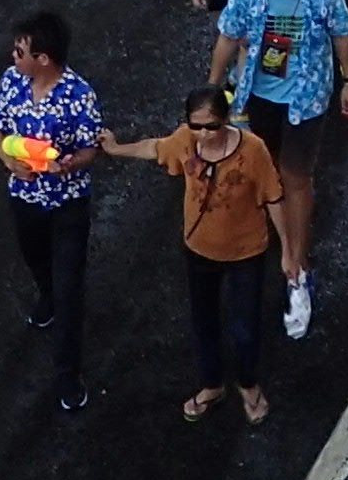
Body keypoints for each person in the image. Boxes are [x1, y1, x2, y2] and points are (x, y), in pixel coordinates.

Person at [211, 0, 348, 341]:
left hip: (306, 99)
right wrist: (212, 90)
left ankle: (297, 264)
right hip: (258, 97)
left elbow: (342, 32)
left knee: (296, 178)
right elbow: (228, 38)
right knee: (263, 173)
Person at [109, 88, 284, 424]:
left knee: (245, 327)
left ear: (226, 120)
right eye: (196, 126)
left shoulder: (253, 151)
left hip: (246, 253)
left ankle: (248, 384)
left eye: (211, 126)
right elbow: (155, 148)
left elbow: (274, 198)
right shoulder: (184, 141)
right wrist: (117, 149)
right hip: (199, 249)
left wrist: (289, 251)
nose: (203, 134)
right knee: (204, 321)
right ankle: (212, 384)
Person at [0, 14, 105, 413]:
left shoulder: (79, 96)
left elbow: (89, 149)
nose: (13, 56)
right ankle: (47, 293)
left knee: (70, 290)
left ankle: (68, 374)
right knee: (35, 259)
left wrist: (69, 165)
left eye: (20, 51)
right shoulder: (11, 81)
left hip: (68, 204)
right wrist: (7, 159)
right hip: (24, 198)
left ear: (43, 58)